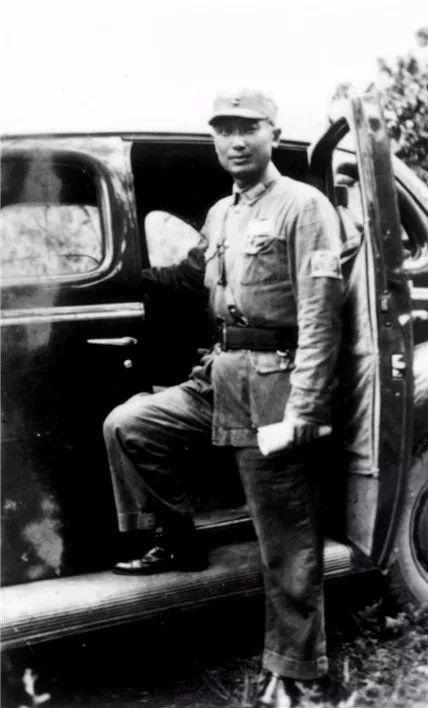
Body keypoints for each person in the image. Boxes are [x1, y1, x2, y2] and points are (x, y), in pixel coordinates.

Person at [103, 89, 344, 708]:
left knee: (285, 538)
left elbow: (321, 316)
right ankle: (175, 538)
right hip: (220, 376)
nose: (235, 141)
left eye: (248, 128)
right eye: (223, 130)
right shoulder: (220, 213)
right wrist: (122, 281)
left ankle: (298, 671)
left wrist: (304, 409)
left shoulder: (304, 205)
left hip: (275, 384)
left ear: (273, 134)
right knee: (131, 425)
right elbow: (191, 275)